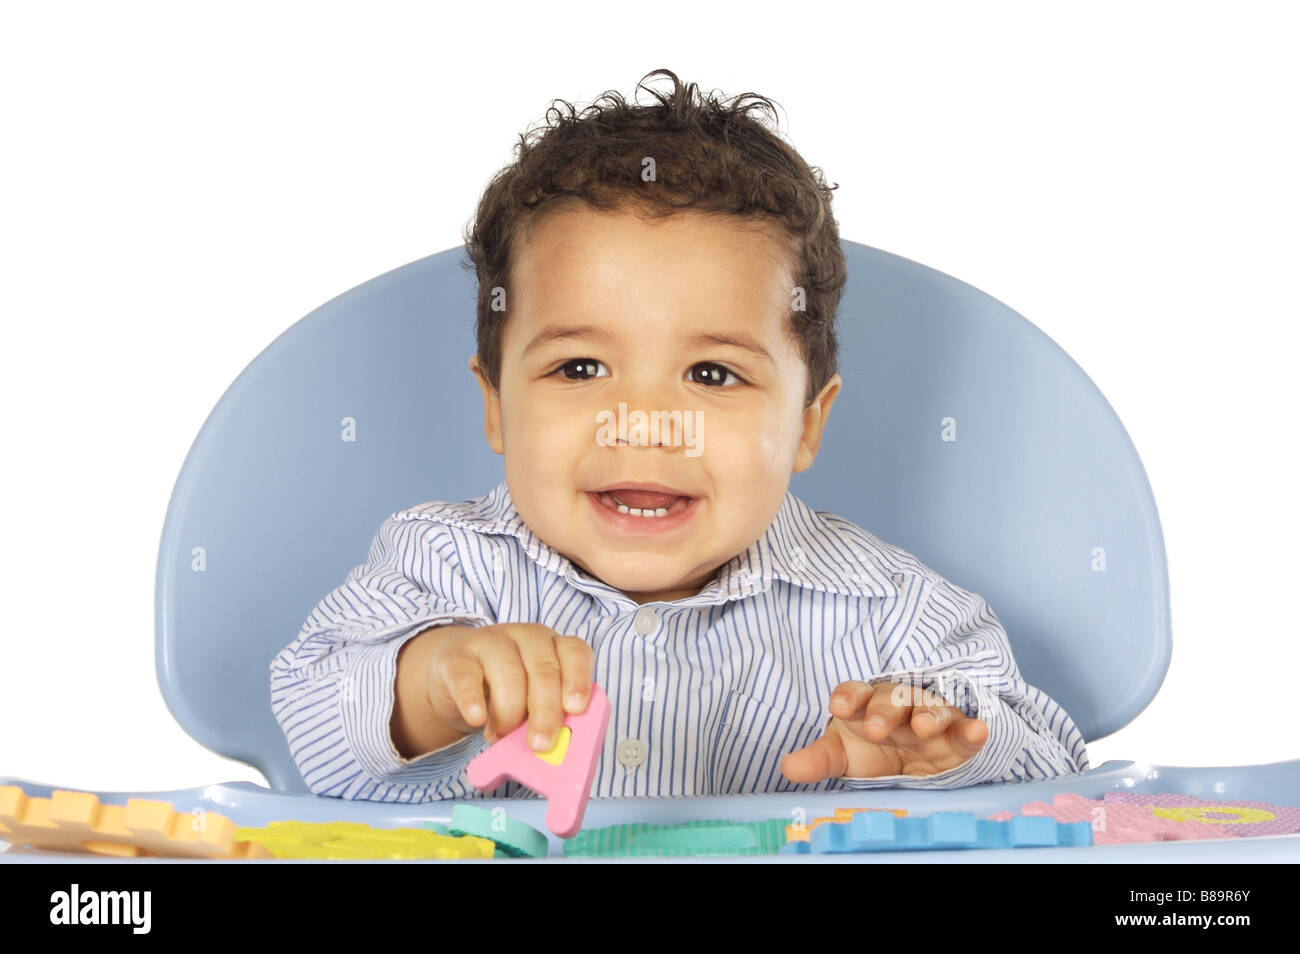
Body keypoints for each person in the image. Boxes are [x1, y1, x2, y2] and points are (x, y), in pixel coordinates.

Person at [270, 69, 1089, 802]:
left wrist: (942, 751)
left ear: (806, 423)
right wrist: (437, 683)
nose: (644, 426)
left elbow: (1055, 767)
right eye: (582, 369)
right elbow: (314, 722)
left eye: (712, 375)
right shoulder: (437, 566)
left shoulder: (891, 614)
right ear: (496, 407)